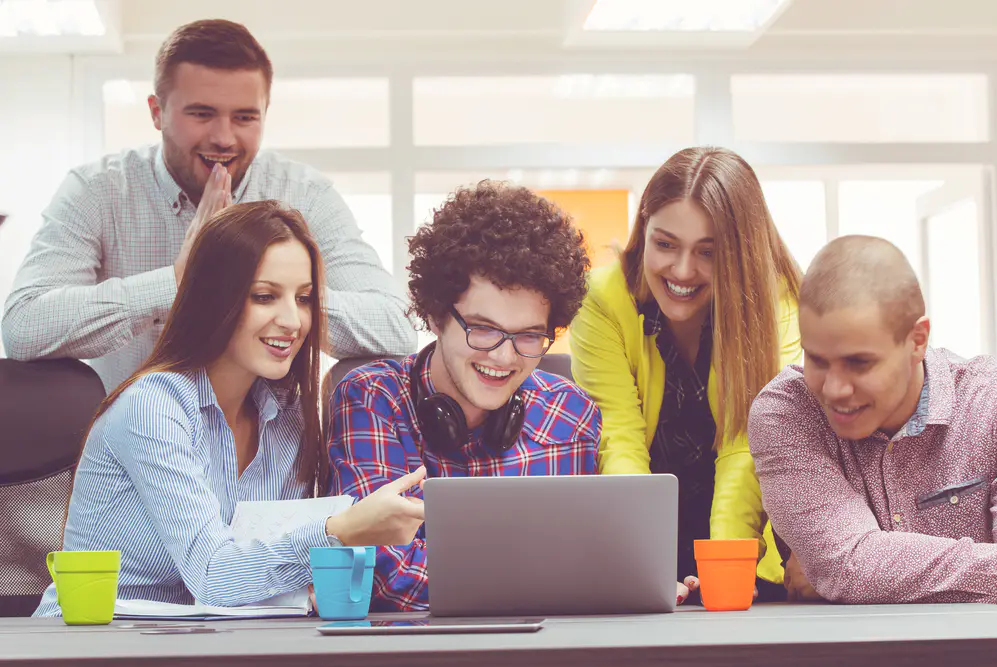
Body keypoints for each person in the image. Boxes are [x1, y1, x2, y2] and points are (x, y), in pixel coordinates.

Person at [34, 201, 424, 616]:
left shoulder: (285, 412)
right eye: (264, 296)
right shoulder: (152, 408)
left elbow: (262, 564)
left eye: (305, 298)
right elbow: (214, 575)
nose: (293, 320)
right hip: (95, 641)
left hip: (209, 637)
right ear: (214, 300)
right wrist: (341, 530)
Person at [2, 19, 414, 392]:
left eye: (245, 118)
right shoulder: (97, 191)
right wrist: (178, 282)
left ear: (265, 114)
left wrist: (269, 290)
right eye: (202, 114)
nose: (224, 138)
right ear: (157, 112)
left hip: (266, 449)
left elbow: (395, 328)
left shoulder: (305, 194)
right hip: (132, 442)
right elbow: (23, 326)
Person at [327, 181, 605, 612]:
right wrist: (550, 582)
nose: (504, 356)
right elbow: (383, 572)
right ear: (437, 314)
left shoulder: (571, 414)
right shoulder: (370, 398)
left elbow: (588, 559)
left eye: (529, 335)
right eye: (484, 328)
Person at [570, 147, 802, 602]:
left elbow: (748, 444)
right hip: (642, 535)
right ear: (645, 228)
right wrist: (643, 563)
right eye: (665, 244)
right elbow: (617, 435)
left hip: (743, 552)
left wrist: (725, 570)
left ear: (741, 253)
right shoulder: (601, 298)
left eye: (708, 252)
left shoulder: (777, 301)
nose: (681, 270)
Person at [749, 234, 997, 605]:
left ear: (917, 340)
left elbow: (845, 568)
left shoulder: (990, 403)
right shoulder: (784, 413)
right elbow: (845, 565)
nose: (834, 389)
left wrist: (857, 568)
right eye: (817, 359)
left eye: (859, 363)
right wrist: (842, 567)